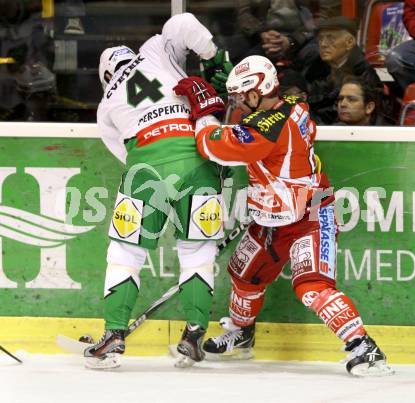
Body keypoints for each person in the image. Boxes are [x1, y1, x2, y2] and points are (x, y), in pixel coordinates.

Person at [173, 55, 394, 377]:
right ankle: (241, 332)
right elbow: (274, 120)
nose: (237, 102)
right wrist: (234, 101)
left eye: (241, 97)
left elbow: (212, 145)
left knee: (312, 286)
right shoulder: (293, 104)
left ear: (257, 92)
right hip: (272, 218)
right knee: (244, 274)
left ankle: (365, 348)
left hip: (310, 216)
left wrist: (207, 112)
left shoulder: (264, 131)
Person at [83, 13, 231, 370]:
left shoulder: (106, 106)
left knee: (125, 253)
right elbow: (183, 22)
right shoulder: (153, 51)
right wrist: (211, 56)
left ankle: (114, 335)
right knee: (197, 252)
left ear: (106, 76)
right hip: (197, 160)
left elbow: (124, 153)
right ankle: (194, 333)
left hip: (144, 168)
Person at [305, 16, 383, 124]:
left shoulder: (363, 74)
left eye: (330, 38)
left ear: (349, 42)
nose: (323, 44)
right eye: (321, 39)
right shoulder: (313, 69)